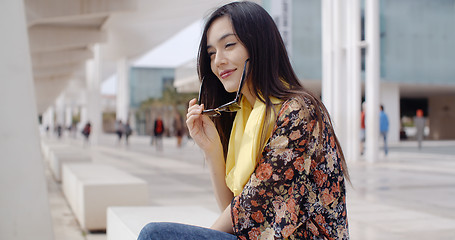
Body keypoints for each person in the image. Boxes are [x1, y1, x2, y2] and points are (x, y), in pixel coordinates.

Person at [138, 2, 349, 239]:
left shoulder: (299, 110)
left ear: (259, 45)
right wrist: (212, 150)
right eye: (211, 53)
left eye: (229, 45)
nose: (218, 61)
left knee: (156, 235)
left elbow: (249, 212)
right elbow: (235, 210)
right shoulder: (245, 114)